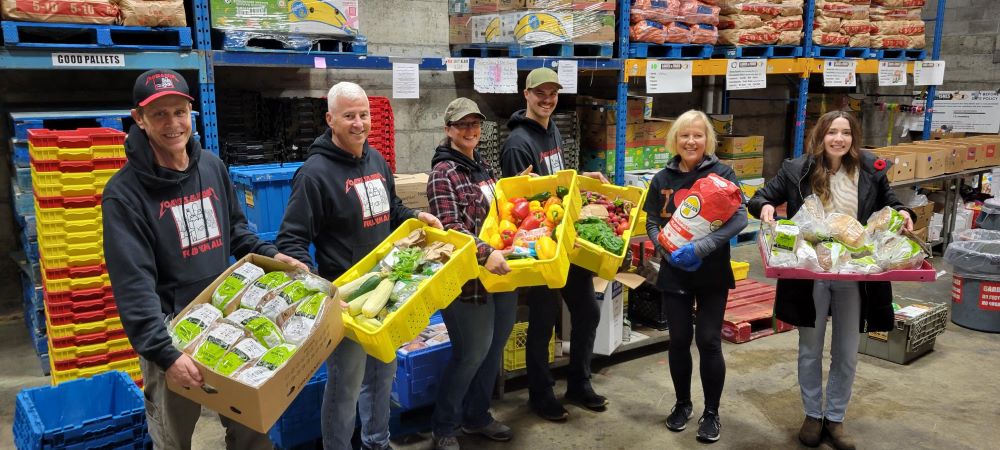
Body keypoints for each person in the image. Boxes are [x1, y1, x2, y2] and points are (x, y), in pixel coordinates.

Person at [103, 69, 307, 450]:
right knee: (173, 438)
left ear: (191, 114)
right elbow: (134, 285)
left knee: (252, 428)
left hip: (226, 316)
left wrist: (272, 255)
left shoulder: (211, 167)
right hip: (172, 331)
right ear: (139, 119)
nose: (173, 124)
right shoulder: (124, 195)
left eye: (179, 112)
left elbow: (237, 232)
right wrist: (165, 353)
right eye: (159, 114)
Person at [275, 81, 442, 450]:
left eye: (364, 114)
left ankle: (376, 443)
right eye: (349, 116)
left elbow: (392, 210)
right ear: (330, 119)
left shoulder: (376, 159)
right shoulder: (314, 174)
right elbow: (291, 240)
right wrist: (319, 291)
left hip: (385, 290)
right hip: (346, 302)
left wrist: (417, 216)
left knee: (383, 374)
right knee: (346, 385)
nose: (359, 123)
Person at [747, 111, 914, 450]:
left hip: (855, 270)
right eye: (832, 132)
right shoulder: (798, 169)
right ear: (820, 136)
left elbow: (892, 203)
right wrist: (764, 207)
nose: (839, 139)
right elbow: (760, 197)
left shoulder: (869, 170)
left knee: (847, 350)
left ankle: (835, 419)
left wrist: (904, 213)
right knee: (810, 348)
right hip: (811, 269)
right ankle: (812, 414)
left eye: (846, 133)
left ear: (854, 137)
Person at [500, 68, 610, 422]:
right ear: (526, 95)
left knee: (588, 311)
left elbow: (556, 186)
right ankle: (540, 393)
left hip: (566, 241)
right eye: (540, 93)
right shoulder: (518, 143)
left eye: (553, 94)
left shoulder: (553, 134)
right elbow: (524, 203)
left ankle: (578, 383)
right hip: (540, 247)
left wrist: (581, 180)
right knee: (543, 321)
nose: (547, 100)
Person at [641, 109, 747, 443]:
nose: (691, 141)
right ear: (675, 139)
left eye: (698, 135)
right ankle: (682, 404)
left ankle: (712, 413)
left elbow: (740, 218)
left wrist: (703, 247)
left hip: (712, 273)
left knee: (709, 341)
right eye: (685, 135)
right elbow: (652, 221)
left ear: (707, 140)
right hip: (675, 273)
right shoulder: (662, 179)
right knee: (678, 340)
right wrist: (663, 246)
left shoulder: (722, 172)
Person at [427, 98, 518, 450]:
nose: (470, 130)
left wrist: (513, 188)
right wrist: (485, 252)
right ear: (449, 130)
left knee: (494, 349)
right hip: (468, 283)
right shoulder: (442, 175)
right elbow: (450, 229)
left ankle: (477, 416)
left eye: (475, 124)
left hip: (501, 275)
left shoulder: (483, 166)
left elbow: (497, 214)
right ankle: (444, 426)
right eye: (462, 125)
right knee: (470, 353)